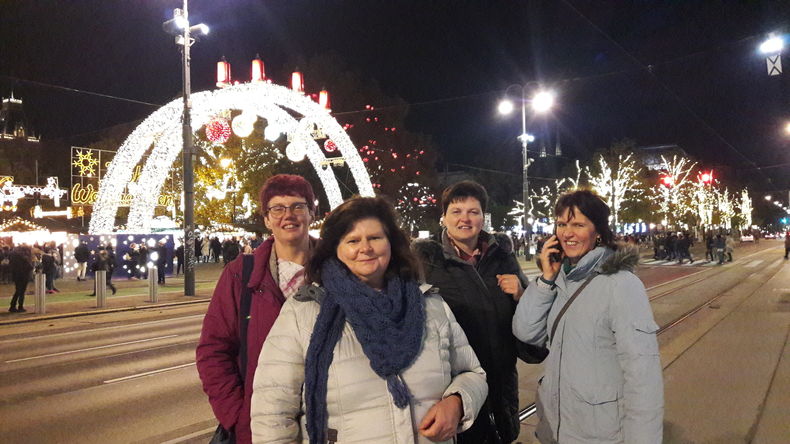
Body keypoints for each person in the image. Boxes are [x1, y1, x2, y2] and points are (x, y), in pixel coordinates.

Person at [251, 196, 487, 443]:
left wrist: (458, 403)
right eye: (353, 240)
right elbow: (272, 414)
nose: (365, 248)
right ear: (335, 249)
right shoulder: (304, 313)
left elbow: (473, 374)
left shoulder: (430, 304)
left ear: (391, 244)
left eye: (375, 238)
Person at [512, 190, 663, 443]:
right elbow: (525, 331)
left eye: (578, 224)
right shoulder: (559, 279)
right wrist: (546, 279)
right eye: (561, 224)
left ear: (598, 232)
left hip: (598, 433)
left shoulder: (621, 285)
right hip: (556, 425)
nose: (567, 233)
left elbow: (643, 375)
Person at [413, 181, 543, 444]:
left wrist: (521, 295)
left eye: (473, 211)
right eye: (457, 211)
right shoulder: (425, 261)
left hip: (500, 384)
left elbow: (530, 324)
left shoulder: (502, 256)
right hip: (451, 390)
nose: (465, 219)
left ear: (483, 217)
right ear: (444, 217)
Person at [196, 174, 318, 444]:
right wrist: (237, 415)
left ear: (311, 213)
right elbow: (213, 350)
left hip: (326, 422)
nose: (288, 215)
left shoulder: (336, 271)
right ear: (266, 219)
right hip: (261, 426)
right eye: (277, 208)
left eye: (298, 206)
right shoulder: (240, 273)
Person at [8, 245, 33, 312]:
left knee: (18, 291)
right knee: (21, 291)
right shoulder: (24, 257)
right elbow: (29, 266)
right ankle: (19, 306)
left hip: (16, 275)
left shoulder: (13, 255)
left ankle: (13, 306)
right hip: (23, 275)